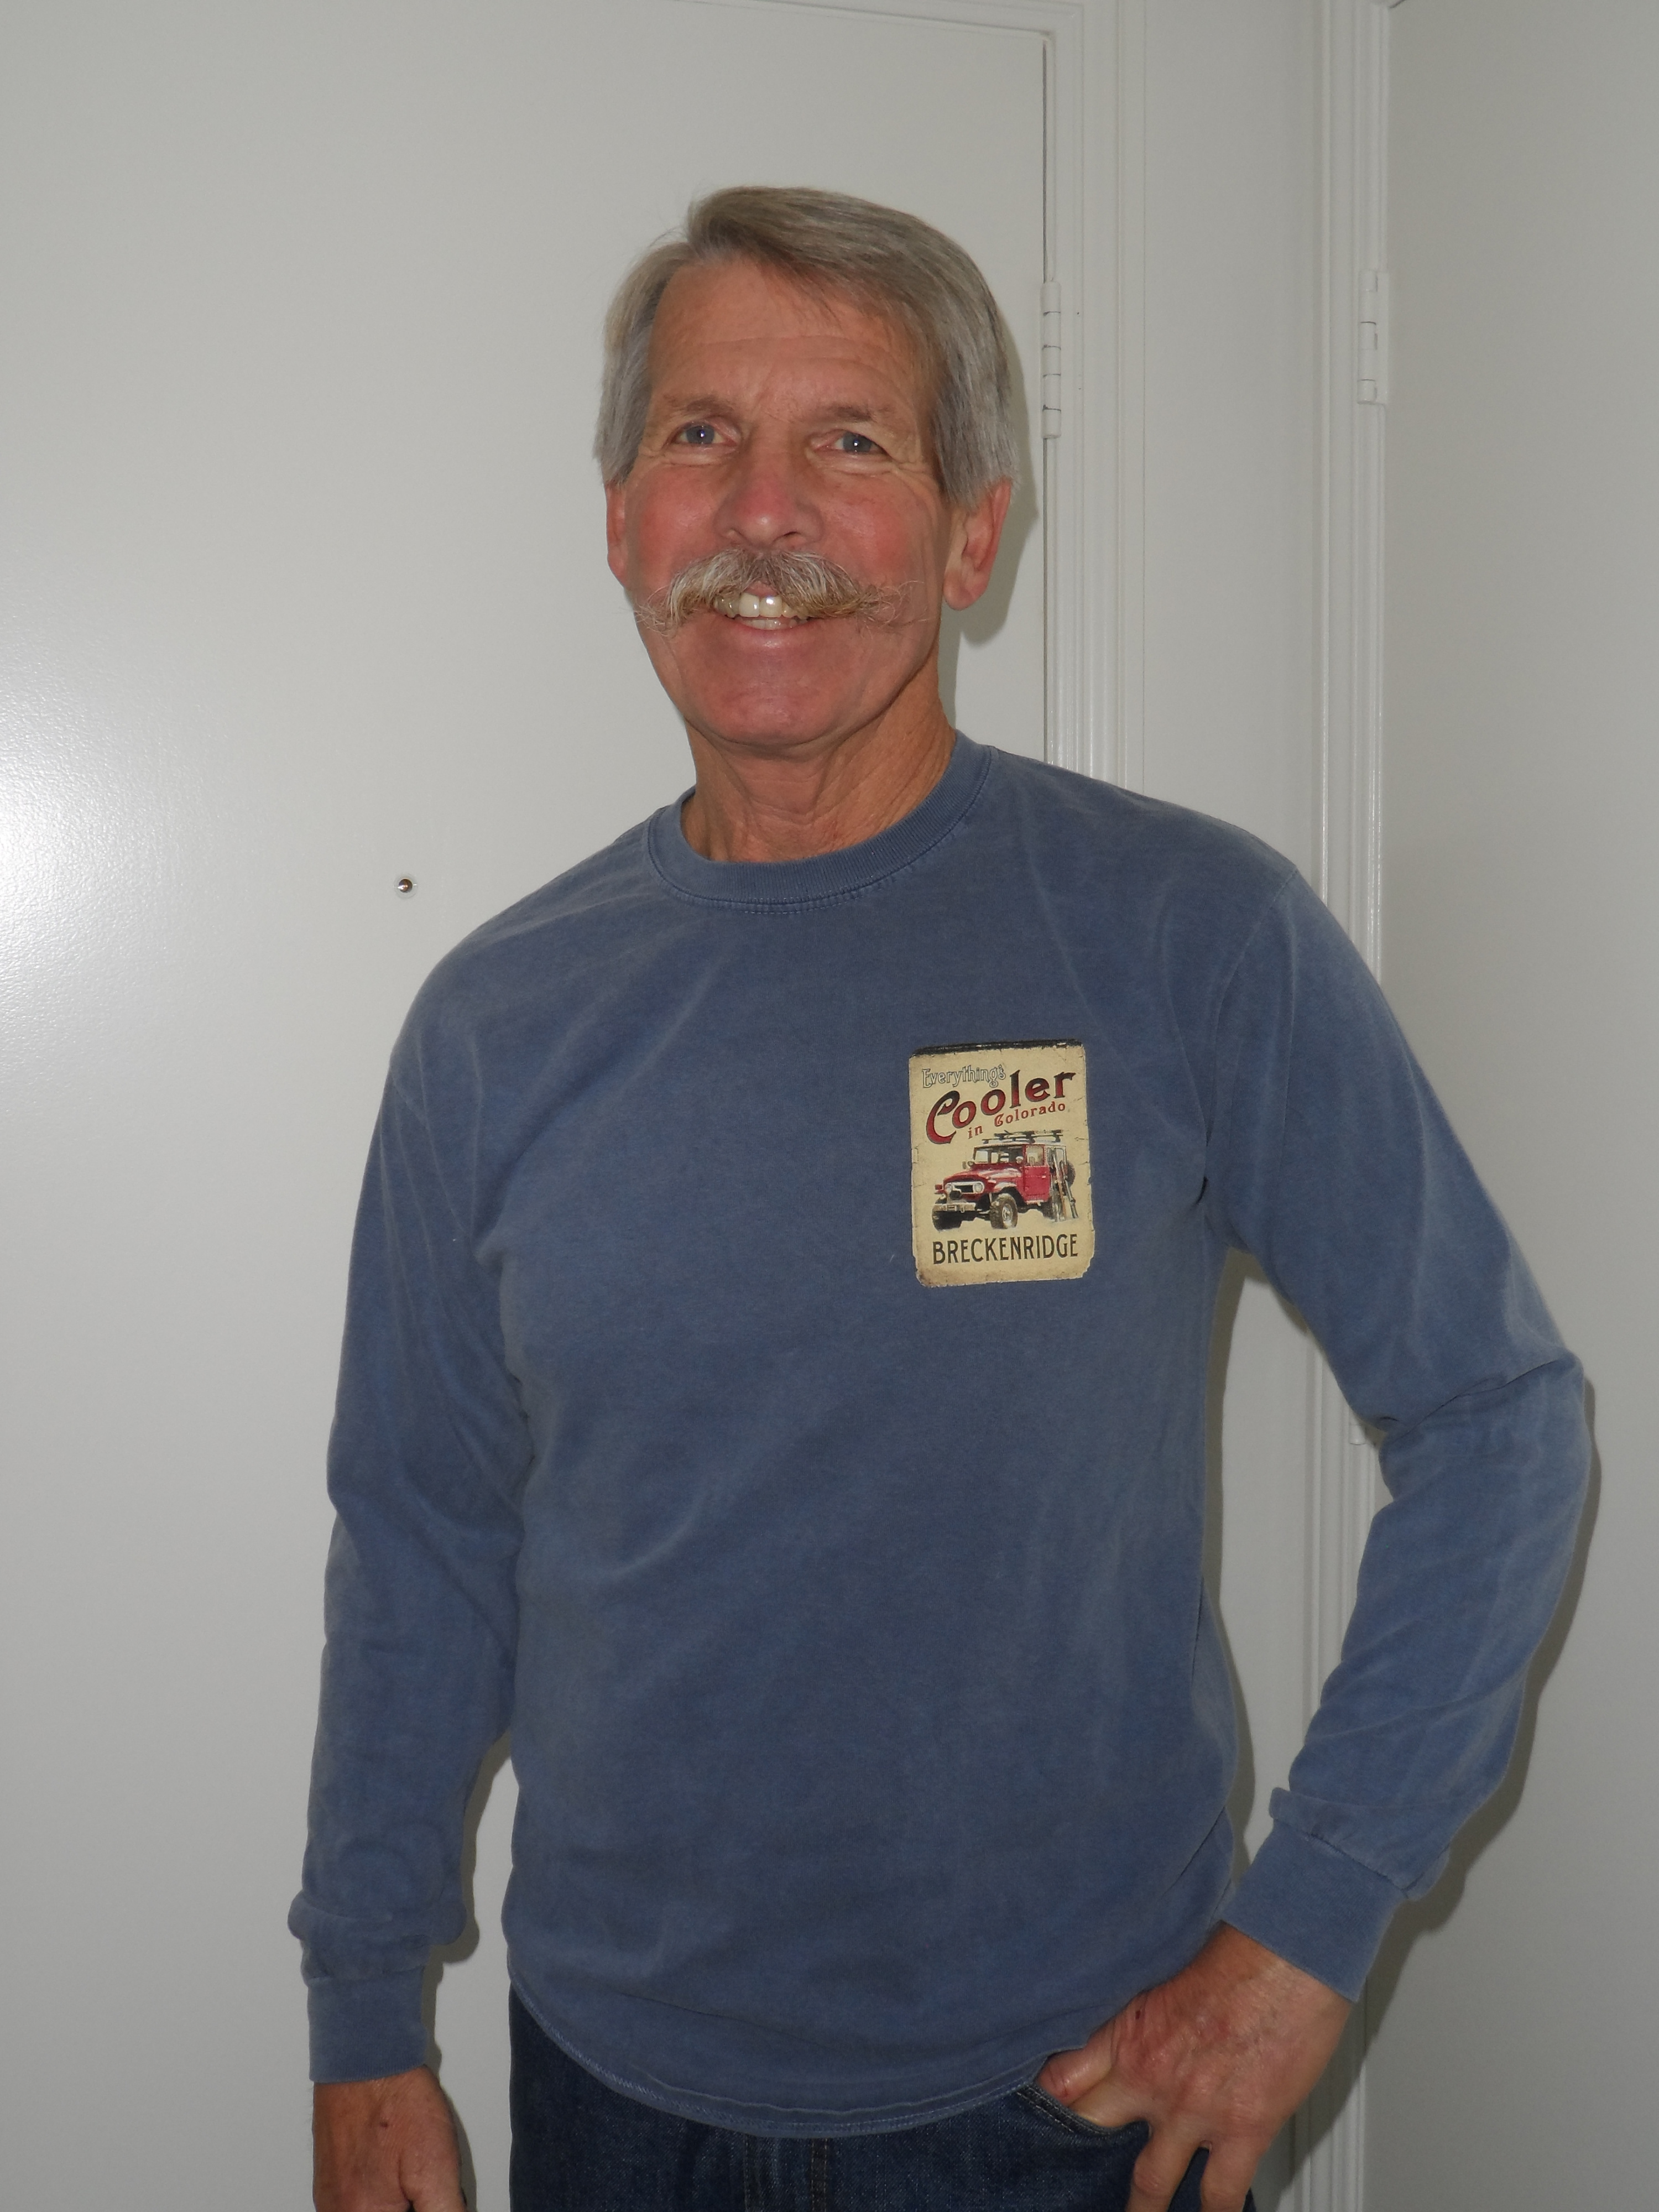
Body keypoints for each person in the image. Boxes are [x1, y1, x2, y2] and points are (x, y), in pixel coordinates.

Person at [293, 188, 1589, 2212]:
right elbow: (421, 1536)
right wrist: (366, 2020)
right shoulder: (496, 1025)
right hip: (617, 2094)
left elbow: (1500, 1418)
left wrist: (1309, 1933)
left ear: (974, 537)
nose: (765, 514)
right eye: (702, 435)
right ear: (622, 518)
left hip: (1075, 2102)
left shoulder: (1186, 934)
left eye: (853, 442)